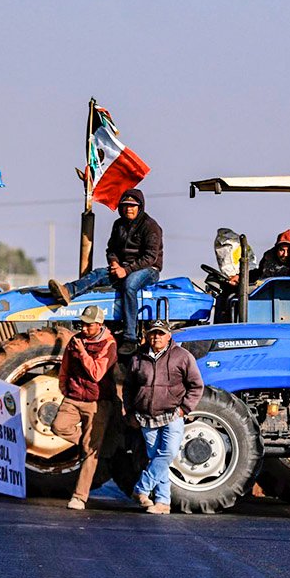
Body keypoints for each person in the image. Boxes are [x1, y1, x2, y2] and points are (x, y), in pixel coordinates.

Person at [47, 189, 163, 353]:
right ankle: (68, 291)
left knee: (130, 285)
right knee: (99, 273)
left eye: (132, 206)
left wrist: (127, 270)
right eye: (125, 206)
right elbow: (111, 249)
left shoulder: (151, 227)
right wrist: (115, 263)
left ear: (140, 207)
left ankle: (130, 337)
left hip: (147, 269)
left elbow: (150, 257)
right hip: (123, 267)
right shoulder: (119, 225)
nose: (128, 209)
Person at [123, 319, 204, 515]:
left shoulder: (182, 357)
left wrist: (184, 409)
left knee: (168, 453)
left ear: (169, 335)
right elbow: (128, 388)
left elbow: (196, 385)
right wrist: (130, 412)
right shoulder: (137, 358)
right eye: (152, 333)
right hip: (146, 417)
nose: (156, 337)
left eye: (160, 333)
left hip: (173, 415)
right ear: (147, 335)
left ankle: (141, 489)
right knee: (155, 458)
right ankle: (163, 502)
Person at [52, 305, 119, 511]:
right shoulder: (75, 340)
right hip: (74, 396)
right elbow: (65, 364)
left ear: (99, 324)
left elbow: (97, 373)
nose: (84, 328)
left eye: (88, 325)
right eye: (82, 323)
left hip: (96, 402)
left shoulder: (109, 344)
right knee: (58, 426)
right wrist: (63, 385)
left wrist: (83, 353)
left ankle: (79, 497)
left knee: (91, 453)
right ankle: (89, 444)